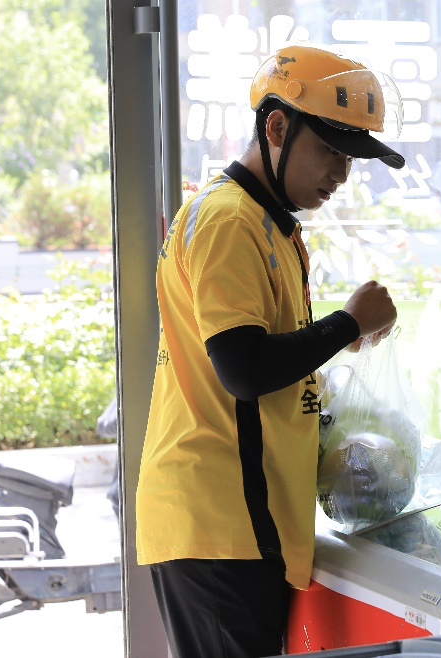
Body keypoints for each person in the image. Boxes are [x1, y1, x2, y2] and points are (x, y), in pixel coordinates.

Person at [135, 44, 404, 658]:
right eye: (331, 150)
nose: (341, 173)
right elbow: (243, 367)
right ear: (277, 127)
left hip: (242, 523)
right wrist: (347, 324)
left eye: (351, 158)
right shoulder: (230, 220)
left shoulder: (269, 224)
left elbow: (260, 359)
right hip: (218, 524)